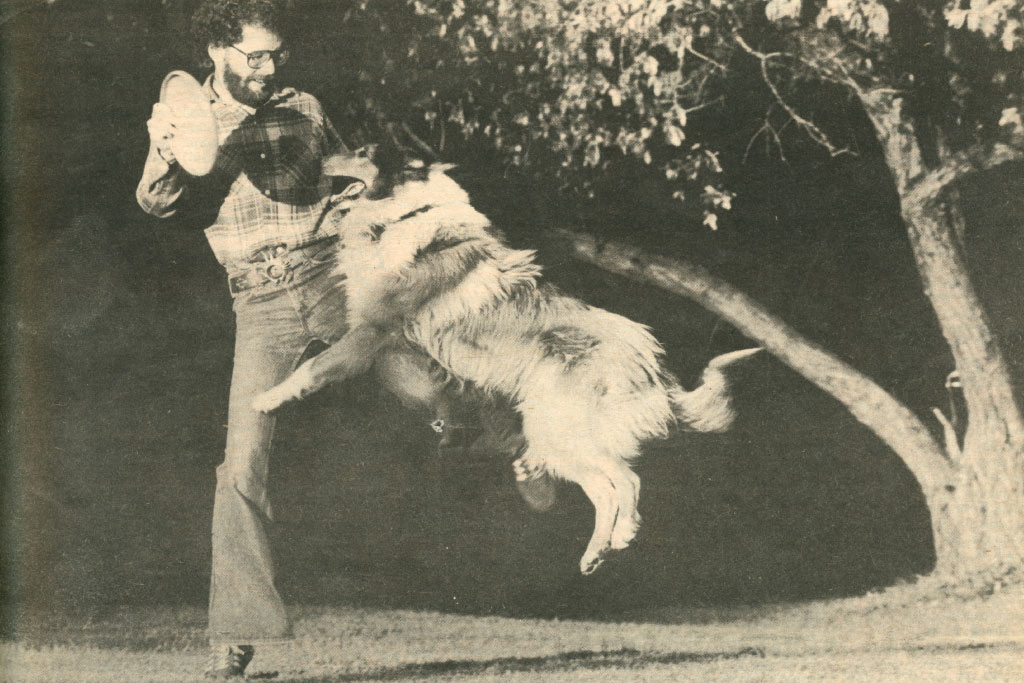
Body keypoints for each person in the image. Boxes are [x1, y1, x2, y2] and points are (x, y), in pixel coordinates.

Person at [137, 1, 361, 677]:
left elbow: (318, 177)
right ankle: (235, 631)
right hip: (259, 302)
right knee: (241, 462)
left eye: (275, 55)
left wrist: (360, 218)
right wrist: (166, 144)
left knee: (422, 366)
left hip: (333, 276)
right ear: (217, 50)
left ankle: (506, 434)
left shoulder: (302, 105)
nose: (269, 68)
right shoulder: (187, 115)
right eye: (255, 56)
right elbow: (155, 200)